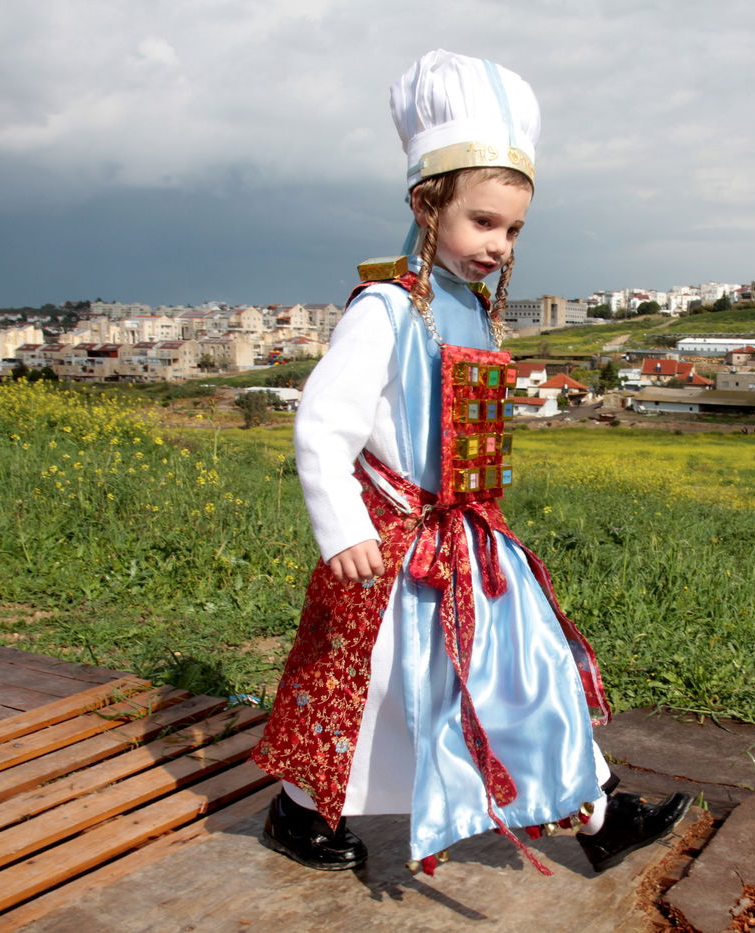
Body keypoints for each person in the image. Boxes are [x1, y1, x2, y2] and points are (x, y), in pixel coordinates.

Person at [250, 49, 689, 877]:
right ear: (426, 205)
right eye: (482, 222)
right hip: (395, 552)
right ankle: (298, 810)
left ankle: (598, 811)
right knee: (375, 694)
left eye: (513, 228)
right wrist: (341, 526)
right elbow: (322, 423)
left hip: (473, 543)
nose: (499, 244)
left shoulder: (473, 311)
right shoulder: (385, 310)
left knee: (526, 673)